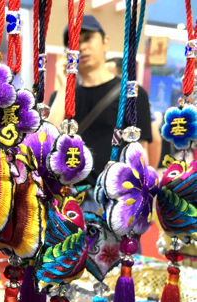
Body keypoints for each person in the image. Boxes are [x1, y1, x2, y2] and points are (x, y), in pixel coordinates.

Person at [48, 15, 153, 195]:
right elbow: (48, 143)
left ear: (105, 42)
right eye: (73, 43)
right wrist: (64, 87)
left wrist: (142, 197)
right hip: (68, 197)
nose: (81, 47)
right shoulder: (61, 97)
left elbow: (141, 151)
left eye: (88, 38)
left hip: (114, 197)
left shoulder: (132, 94)